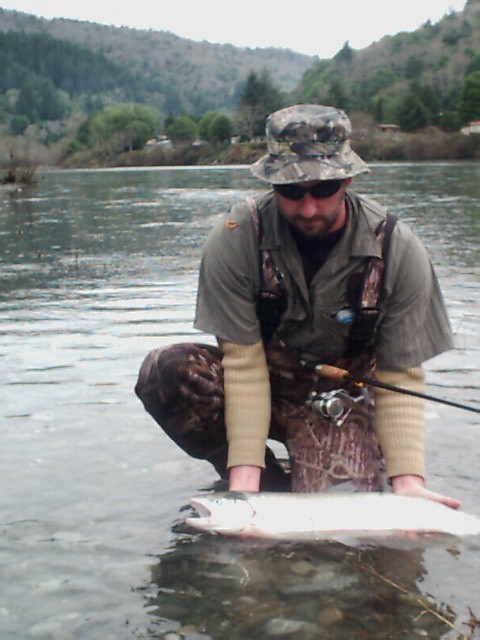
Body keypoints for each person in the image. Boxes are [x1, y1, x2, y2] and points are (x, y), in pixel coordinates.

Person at [135, 104, 460, 509]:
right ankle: (263, 482)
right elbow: (244, 367)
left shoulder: (397, 249)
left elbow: (401, 375)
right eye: (291, 191)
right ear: (271, 184)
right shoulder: (235, 238)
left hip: (344, 396)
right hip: (264, 385)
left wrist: (408, 483)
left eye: (324, 189)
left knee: (342, 521)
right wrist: (245, 492)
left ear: (348, 178)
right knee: (165, 373)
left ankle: (345, 462)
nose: (308, 208)